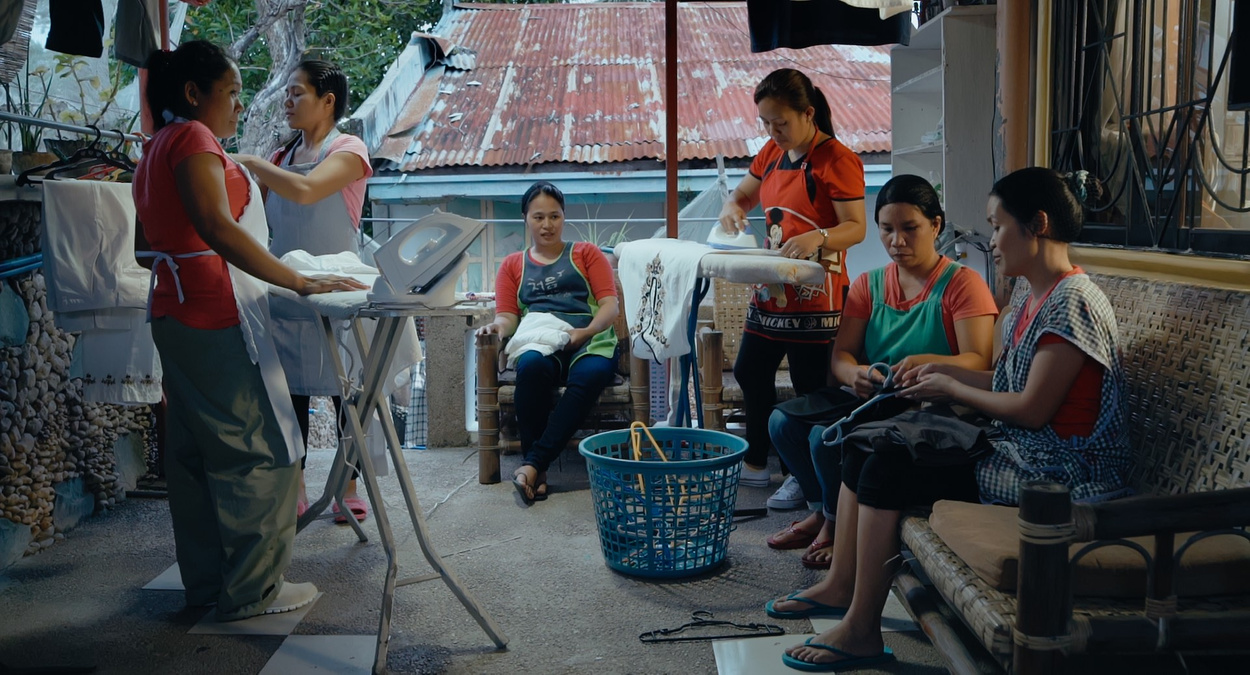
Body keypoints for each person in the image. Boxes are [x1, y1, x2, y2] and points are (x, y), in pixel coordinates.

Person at [768, 167, 1128, 671]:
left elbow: (1031, 410)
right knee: (865, 442)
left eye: (997, 226)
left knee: (887, 465)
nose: (991, 241)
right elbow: (1008, 383)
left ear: (1038, 224)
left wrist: (953, 387)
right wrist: (941, 371)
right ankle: (844, 588)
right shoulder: (1033, 296)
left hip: (1060, 474)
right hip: (1021, 451)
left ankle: (861, 628)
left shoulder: (1074, 303)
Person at [132, 40, 366, 621]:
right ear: (194, 94)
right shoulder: (194, 139)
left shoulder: (156, 145)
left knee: (194, 456)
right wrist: (297, 280)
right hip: (211, 313)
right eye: (232, 93)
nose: (242, 105)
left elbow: (144, 248)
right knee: (262, 453)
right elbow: (217, 226)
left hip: (171, 311)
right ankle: (253, 590)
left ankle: (208, 583)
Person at [764, 175, 997, 569]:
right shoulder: (868, 285)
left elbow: (978, 360)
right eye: (887, 229)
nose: (897, 241)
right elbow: (842, 357)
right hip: (874, 397)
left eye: (910, 228)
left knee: (824, 439)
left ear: (936, 226)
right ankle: (822, 510)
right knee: (781, 423)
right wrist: (853, 374)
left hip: (929, 406)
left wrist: (924, 363)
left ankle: (836, 526)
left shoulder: (963, 284)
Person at [232, 59, 372, 523]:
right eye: (287, 93)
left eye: (297, 93)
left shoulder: (349, 150)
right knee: (287, 394)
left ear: (327, 101)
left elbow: (309, 190)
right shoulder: (280, 158)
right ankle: (295, 482)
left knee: (346, 394)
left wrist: (251, 162)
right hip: (287, 289)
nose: (288, 101)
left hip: (338, 289)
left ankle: (347, 485)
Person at [716, 68, 867, 492]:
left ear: (808, 114)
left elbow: (856, 227)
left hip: (818, 294)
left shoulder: (838, 160)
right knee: (749, 370)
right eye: (765, 123)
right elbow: (744, 194)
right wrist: (732, 206)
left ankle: (801, 474)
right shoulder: (771, 153)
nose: (772, 132)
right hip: (772, 287)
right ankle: (757, 460)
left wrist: (819, 237)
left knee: (809, 385)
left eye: (780, 123)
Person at [475, 181, 620, 504]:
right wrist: (496, 327)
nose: (547, 225)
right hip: (542, 339)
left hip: (590, 339)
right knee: (530, 368)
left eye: (554, 216)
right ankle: (536, 470)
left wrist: (585, 332)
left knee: (590, 375)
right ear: (525, 219)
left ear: (563, 217)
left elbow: (610, 305)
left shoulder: (586, 254)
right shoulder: (513, 265)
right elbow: (508, 316)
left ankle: (533, 464)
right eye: (538, 217)